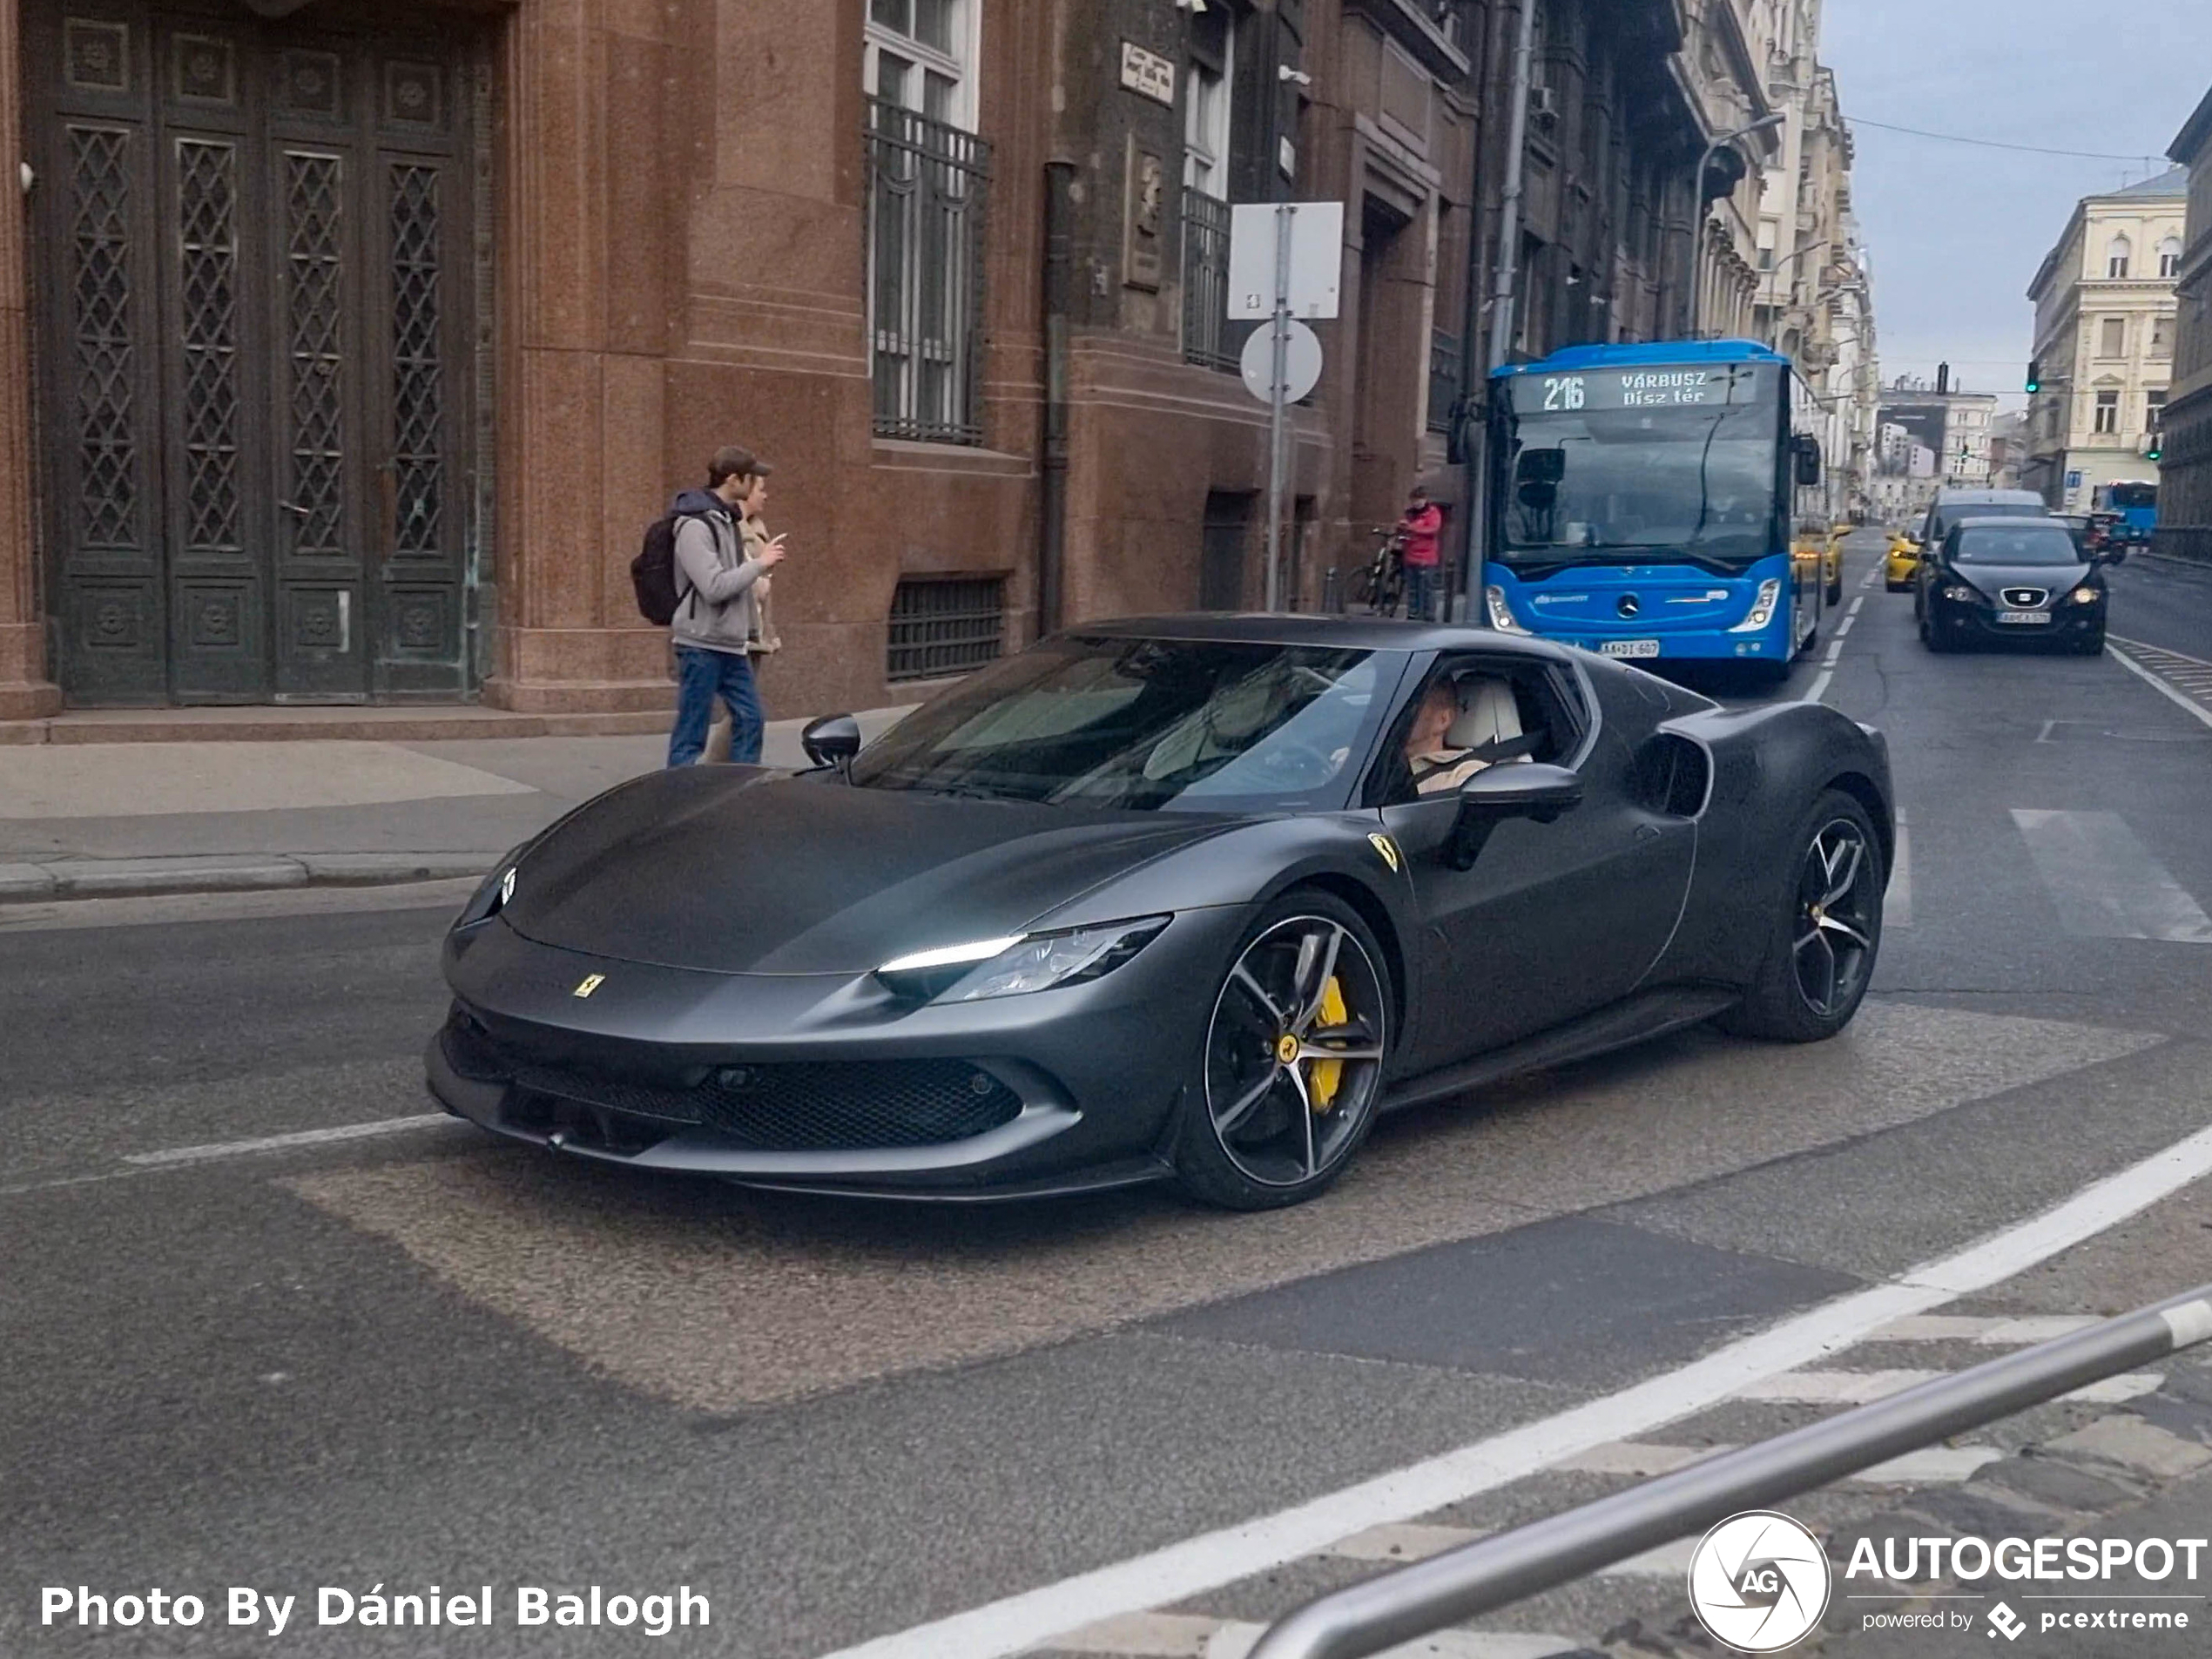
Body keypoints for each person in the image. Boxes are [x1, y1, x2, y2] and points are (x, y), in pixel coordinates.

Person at [665, 447, 786, 768]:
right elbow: (714, 587)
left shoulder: (727, 520)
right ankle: (678, 793)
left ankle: (740, 784)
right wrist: (760, 564)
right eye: (752, 478)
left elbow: (736, 584)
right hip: (699, 643)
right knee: (691, 733)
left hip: (731, 644)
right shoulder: (694, 526)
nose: (758, 486)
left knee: (751, 718)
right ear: (734, 480)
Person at [1398, 486, 1445, 621]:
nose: (1416, 503)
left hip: (1426, 556)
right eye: (1414, 501)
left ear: (1425, 499)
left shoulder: (1433, 513)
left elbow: (1432, 529)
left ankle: (1429, 614)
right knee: (1412, 588)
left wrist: (1412, 528)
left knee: (1427, 588)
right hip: (1411, 555)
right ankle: (1413, 613)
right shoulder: (1410, 513)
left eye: (1419, 500)